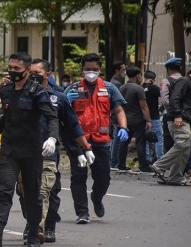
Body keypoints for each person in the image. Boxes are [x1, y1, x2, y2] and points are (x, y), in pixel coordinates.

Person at [0, 52, 59, 247]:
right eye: (10, 68)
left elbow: (52, 117)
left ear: (28, 70)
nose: (12, 72)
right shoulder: (6, 91)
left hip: (31, 152)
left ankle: (32, 237)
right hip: (9, 150)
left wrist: (52, 139)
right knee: (4, 191)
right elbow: (7, 118)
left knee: (32, 195)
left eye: (17, 69)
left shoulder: (38, 92)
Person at [18, 59, 95, 244]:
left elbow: (72, 125)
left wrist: (84, 148)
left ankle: (41, 228)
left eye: (38, 72)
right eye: (31, 72)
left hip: (48, 154)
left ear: (48, 75)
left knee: (46, 192)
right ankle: (32, 223)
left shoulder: (58, 98)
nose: (34, 75)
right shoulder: (20, 94)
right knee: (24, 193)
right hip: (24, 154)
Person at [64, 53, 128, 224]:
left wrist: (123, 127)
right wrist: (67, 101)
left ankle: (97, 198)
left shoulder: (109, 88)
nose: (91, 72)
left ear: (100, 70)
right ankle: (82, 213)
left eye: (94, 70)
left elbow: (119, 110)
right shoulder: (72, 89)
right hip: (78, 141)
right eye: (87, 69)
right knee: (78, 177)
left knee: (103, 178)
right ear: (82, 70)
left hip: (101, 141)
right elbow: (60, 110)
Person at [150, 64, 191, 186]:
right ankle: (159, 165)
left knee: (185, 149)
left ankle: (175, 176)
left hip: (185, 120)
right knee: (182, 144)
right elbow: (174, 99)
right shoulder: (184, 81)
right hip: (178, 120)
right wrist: (178, 115)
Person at [117, 66, 153, 173]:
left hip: (125, 119)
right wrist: (148, 120)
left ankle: (121, 164)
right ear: (137, 75)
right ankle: (143, 165)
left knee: (123, 143)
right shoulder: (138, 88)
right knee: (140, 143)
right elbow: (144, 106)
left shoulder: (122, 88)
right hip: (137, 120)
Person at [160, 58, 183, 153]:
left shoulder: (166, 81)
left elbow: (165, 101)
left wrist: (172, 111)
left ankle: (168, 166)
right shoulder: (186, 81)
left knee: (169, 142)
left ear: (168, 69)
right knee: (182, 142)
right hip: (185, 116)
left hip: (170, 117)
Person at [142, 70, 164, 163]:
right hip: (154, 117)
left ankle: (147, 159)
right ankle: (160, 160)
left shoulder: (141, 88)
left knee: (145, 139)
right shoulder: (154, 88)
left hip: (143, 117)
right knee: (159, 138)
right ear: (152, 79)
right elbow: (163, 96)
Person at [109, 61, 126, 170]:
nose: (125, 72)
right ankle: (113, 161)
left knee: (116, 138)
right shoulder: (116, 84)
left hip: (114, 115)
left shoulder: (116, 82)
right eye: (123, 69)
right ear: (117, 71)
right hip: (115, 115)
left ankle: (113, 160)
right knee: (116, 139)